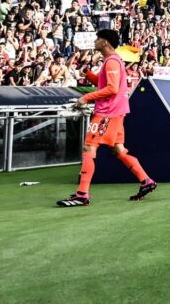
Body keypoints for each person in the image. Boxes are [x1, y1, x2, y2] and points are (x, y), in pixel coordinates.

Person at [56, 29, 156, 207]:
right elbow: (106, 84)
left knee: (88, 148)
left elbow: (112, 89)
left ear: (105, 42)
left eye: (97, 39)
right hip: (117, 111)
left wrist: (86, 98)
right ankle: (146, 181)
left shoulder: (111, 62)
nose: (95, 42)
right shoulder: (113, 61)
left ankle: (82, 194)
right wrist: (87, 73)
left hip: (107, 113)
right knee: (119, 150)